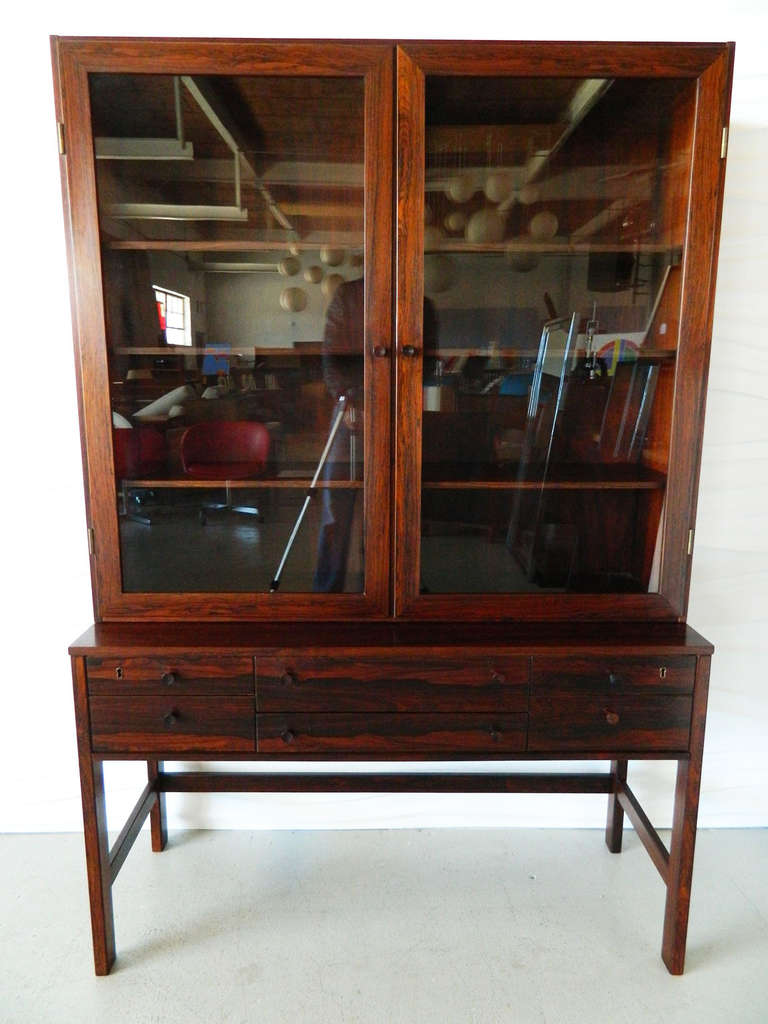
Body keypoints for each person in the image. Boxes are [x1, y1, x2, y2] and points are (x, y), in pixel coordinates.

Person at [313, 277, 436, 591]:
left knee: (397, 504)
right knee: (336, 504)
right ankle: (328, 592)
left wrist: (400, 403)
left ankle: (393, 587)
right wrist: (348, 397)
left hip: (398, 415)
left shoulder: (419, 301)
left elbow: (427, 362)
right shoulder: (348, 294)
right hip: (350, 410)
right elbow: (331, 353)